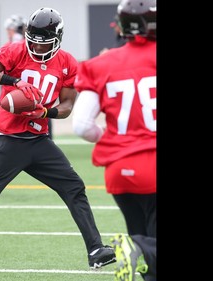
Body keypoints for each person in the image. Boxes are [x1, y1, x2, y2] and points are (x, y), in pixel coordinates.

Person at [0, 7, 116, 275]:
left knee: (74, 187)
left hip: (38, 140)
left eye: (44, 42)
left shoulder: (68, 62)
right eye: (34, 41)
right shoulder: (16, 51)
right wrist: (14, 81)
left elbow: (69, 104)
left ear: (57, 39)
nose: (37, 48)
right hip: (10, 138)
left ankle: (95, 250)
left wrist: (46, 112)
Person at [72, 0, 156, 279]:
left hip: (120, 170)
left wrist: (109, 137)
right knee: (147, 245)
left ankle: (139, 249)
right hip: (153, 165)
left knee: (147, 256)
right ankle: (138, 247)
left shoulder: (102, 64)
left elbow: (82, 126)